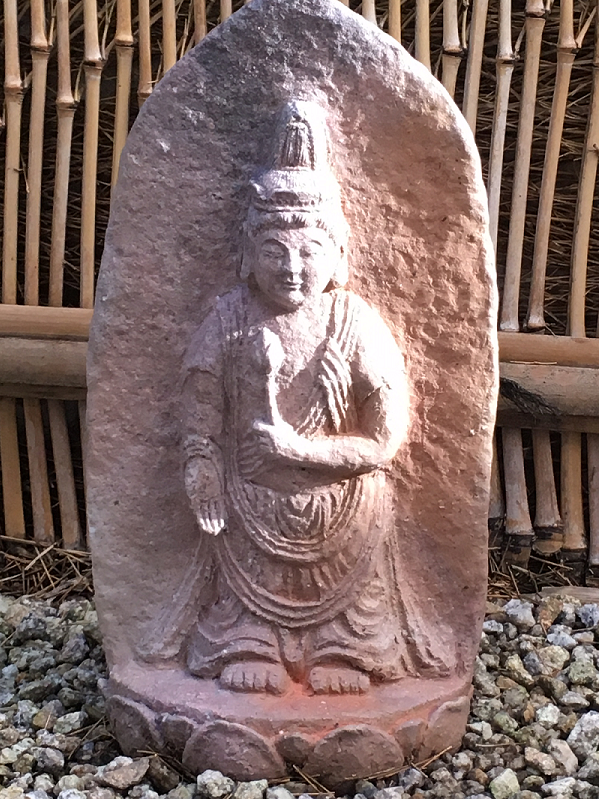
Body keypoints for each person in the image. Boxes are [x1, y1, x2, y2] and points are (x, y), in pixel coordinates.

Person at [155, 100, 448, 695]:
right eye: (274, 250)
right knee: (239, 531)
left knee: (367, 508)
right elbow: (200, 411)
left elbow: (384, 441)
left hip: (340, 497)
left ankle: (347, 645)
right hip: (250, 498)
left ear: (337, 253)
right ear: (247, 252)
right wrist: (201, 467)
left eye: (309, 250)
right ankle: (250, 637)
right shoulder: (230, 318)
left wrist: (299, 450)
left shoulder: (354, 321)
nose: (292, 267)